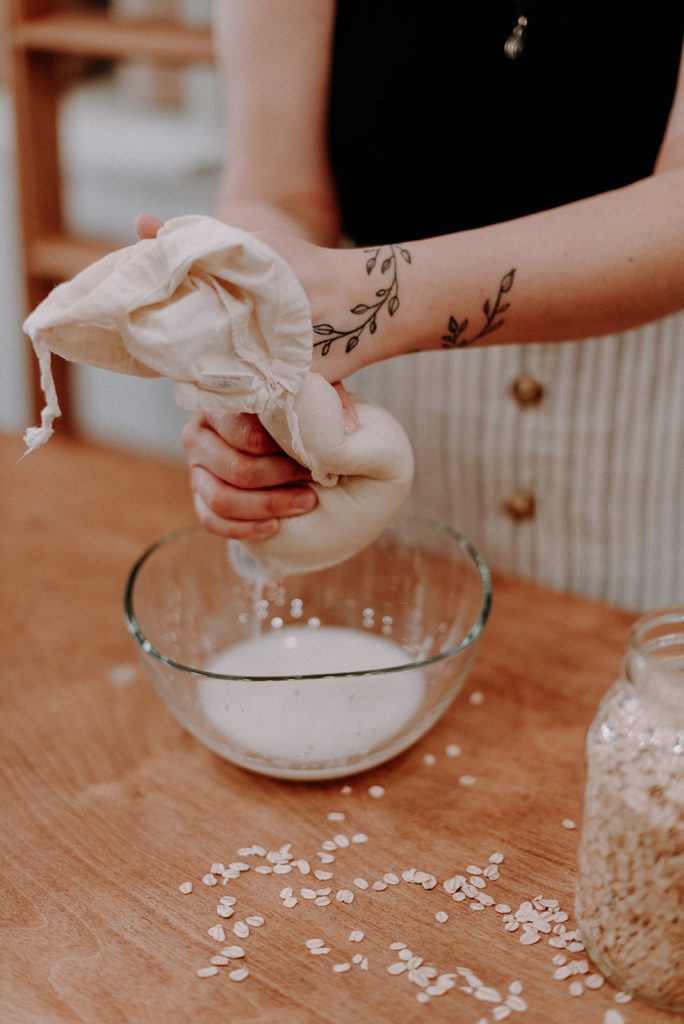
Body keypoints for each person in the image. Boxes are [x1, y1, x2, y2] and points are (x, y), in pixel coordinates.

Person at [138, 2, 684, 612]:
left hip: (641, 433)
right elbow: (275, 191)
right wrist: (253, 359)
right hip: (368, 420)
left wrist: (372, 298)